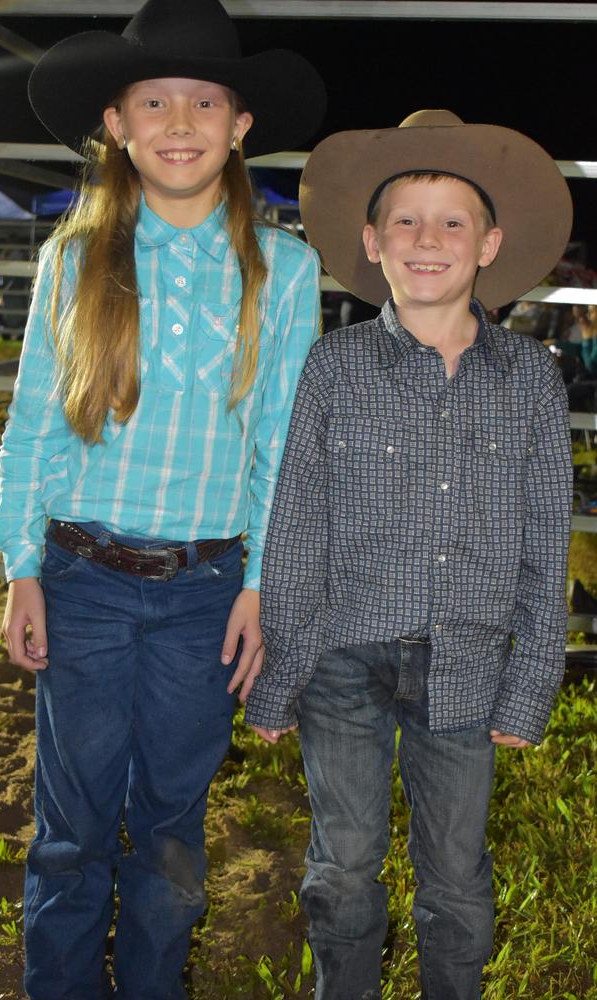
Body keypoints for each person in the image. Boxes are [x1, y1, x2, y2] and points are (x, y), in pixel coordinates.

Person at [0, 1, 325, 997]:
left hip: (202, 594)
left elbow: (281, 449)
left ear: (240, 124)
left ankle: (151, 984)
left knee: (171, 821)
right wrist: (22, 567)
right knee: (71, 825)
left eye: (204, 101)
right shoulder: (75, 259)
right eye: (154, 101)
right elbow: (36, 425)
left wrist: (262, 582)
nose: (180, 121)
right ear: (119, 125)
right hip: (82, 579)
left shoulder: (287, 272)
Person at [245, 110, 574, 1000]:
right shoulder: (334, 368)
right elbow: (298, 525)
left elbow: (548, 538)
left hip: (467, 668)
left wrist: (532, 677)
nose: (427, 241)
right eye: (405, 221)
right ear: (372, 241)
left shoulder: (532, 380)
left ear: (489, 243)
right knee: (343, 866)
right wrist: (281, 669)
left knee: (457, 878)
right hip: (343, 659)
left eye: (452, 221)